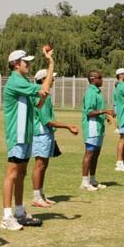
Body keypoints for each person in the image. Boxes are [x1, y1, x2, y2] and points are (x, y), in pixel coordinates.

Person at [1, 48, 54, 230]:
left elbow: (38, 102)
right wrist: (50, 63)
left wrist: (43, 95)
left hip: (26, 135)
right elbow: (44, 88)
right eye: (26, 62)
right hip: (17, 134)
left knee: (21, 173)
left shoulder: (23, 81)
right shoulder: (16, 81)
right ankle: (7, 216)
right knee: (12, 173)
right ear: (16, 64)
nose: (29, 65)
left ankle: (19, 211)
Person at [32, 69, 79, 205]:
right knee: (39, 165)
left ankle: (40, 194)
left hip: (45, 133)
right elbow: (47, 120)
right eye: (51, 78)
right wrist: (68, 126)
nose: (53, 80)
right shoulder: (42, 95)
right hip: (42, 133)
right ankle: (36, 197)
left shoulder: (42, 94)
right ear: (43, 80)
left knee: (43, 165)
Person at [81, 70, 114, 190]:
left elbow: (98, 109)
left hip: (99, 127)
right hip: (92, 127)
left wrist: (106, 116)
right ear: (93, 79)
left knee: (96, 154)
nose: (102, 79)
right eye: (100, 77)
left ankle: (93, 179)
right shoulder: (90, 92)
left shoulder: (98, 92)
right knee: (89, 153)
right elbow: (89, 112)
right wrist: (105, 111)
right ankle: (84, 182)